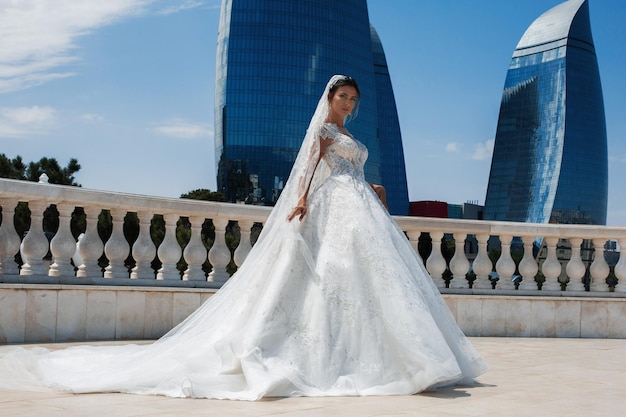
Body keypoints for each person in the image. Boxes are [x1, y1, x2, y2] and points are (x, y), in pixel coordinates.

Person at [0, 75, 487, 400]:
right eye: (345, 97)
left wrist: (373, 185)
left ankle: (405, 355)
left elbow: (349, 166)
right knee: (335, 275)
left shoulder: (348, 135)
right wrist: (299, 199)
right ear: (331, 98)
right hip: (333, 205)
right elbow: (312, 167)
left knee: (369, 278)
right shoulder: (322, 127)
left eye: (354, 100)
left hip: (358, 203)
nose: (350, 104)